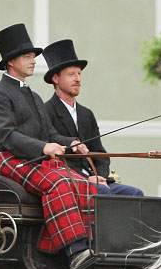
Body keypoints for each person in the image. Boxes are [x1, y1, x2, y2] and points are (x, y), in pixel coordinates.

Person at [0, 23, 97, 269]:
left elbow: (50, 133)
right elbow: (5, 136)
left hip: (34, 159)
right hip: (9, 158)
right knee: (59, 182)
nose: (34, 61)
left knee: (85, 183)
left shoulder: (33, 96)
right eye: (28, 57)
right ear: (11, 62)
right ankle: (75, 251)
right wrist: (43, 148)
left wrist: (70, 143)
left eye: (33, 57)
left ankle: (75, 246)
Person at [41, 39, 143, 196]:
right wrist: (87, 179)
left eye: (79, 74)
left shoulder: (86, 114)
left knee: (135, 194)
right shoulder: (46, 111)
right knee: (103, 193)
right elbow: (52, 153)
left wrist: (100, 177)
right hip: (70, 181)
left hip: (95, 179)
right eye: (71, 74)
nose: (78, 79)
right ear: (56, 78)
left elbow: (100, 154)